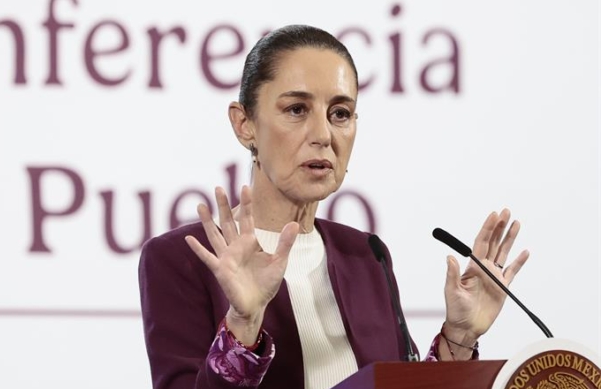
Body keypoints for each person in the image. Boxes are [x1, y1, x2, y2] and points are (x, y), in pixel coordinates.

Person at [138, 25, 529, 389]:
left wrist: (458, 339)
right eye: (296, 110)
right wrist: (242, 326)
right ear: (245, 125)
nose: (324, 135)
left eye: (340, 114)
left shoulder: (365, 255)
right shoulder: (182, 259)